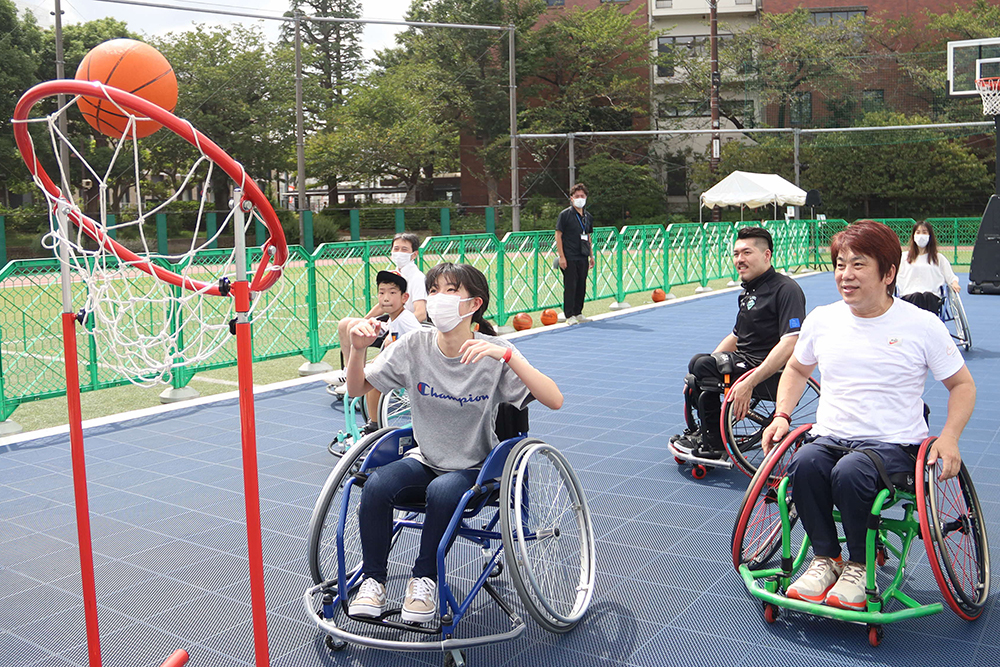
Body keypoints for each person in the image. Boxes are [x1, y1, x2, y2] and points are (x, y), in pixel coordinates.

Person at [761, 220, 975, 611]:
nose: (846, 275)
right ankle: (827, 559)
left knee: (851, 472)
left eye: (858, 265)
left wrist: (949, 437)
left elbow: (962, 385)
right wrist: (781, 415)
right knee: (805, 463)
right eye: (841, 264)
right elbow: (795, 369)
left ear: (889, 272)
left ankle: (860, 565)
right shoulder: (823, 320)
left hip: (893, 445)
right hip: (831, 436)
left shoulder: (921, 325)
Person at [344, 262, 563, 623]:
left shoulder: (492, 353)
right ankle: (373, 581)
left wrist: (509, 355)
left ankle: (424, 579)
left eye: (449, 291)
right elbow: (356, 390)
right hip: (425, 457)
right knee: (377, 484)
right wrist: (356, 350)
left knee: (444, 491)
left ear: (473, 304)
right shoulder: (415, 345)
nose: (437, 299)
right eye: (433, 291)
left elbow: (554, 399)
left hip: (473, 466)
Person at [672, 227, 807, 459]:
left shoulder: (786, 290)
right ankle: (705, 432)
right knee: (699, 367)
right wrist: (701, 373)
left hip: (769, 372)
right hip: (744, 362)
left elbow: (790, 343)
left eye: (746, 253)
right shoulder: (750, 290)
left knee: (702, 366)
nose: (739, 260)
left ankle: (714, 443)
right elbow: (735, 337)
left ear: (766, 256)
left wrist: (749, 382)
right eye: (736, 254)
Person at [328, 233, 428, 394]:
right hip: (390, 323)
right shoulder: (393, 275)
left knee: (355, 326)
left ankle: (358, 379)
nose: (399, 253)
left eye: (404, 249)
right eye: (396, 248)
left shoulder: (416, 278)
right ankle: (349, 373)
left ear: (414, 254)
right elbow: (383, 305)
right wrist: (365, 320)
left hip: (403, 328)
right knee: (346, 323)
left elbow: (421, 313)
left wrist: (395, 331)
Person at [356, 270, 422, 430]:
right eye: (382, 292)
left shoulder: (406, 319)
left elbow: (421, 338)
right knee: (372, 369)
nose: (386, 298)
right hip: (403, 364)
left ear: (404, 298)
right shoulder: (395, 319)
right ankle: (373, 421)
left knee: (373, 380)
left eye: (392, 293)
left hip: (414, 368)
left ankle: (374, 426)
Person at [896, 221, 960, 313]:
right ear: (913, 236)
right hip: (908, 295)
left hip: (932, 295)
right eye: (918, 232)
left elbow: (950, 277)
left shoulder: (938, 258)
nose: (921, 235)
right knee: (917, 296)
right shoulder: (903, 257)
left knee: (927, 296)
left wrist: (954, 283)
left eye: (924, 232)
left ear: (930, 236)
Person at [555, 183, 594, 325]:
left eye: (582, 196)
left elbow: (588, 236)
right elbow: (558, 235)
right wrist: (562, 256)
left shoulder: (588, 217)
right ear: (571, 198)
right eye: (577, 196)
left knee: (581, 285)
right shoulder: (565, 215)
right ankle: (569, 314)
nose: (580, 198)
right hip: (569, 255)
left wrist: (591, 255)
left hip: (582, 255)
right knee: (570, 285)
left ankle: (578, 312)